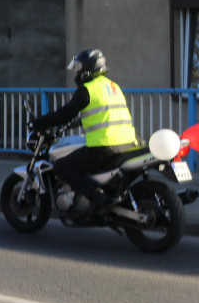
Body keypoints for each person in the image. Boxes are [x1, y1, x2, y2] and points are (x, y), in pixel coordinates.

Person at [29, 49, 140, 213]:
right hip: (128, 143)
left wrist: (40, 123)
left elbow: (65, 113)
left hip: (104, 147)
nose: (78, 71)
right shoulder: (113, 86)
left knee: (60, 167)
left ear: (88, 68)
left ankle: (95, 194)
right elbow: (105, 113)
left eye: (79, 67)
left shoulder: (87, 89)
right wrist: (78, 121)